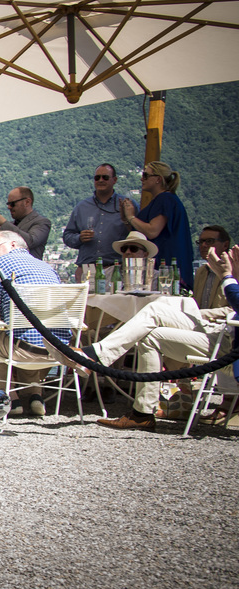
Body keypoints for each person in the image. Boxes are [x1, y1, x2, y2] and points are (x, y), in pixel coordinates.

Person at [51, 245, 239, 432]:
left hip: (230, 344)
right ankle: (141, 413)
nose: (128, 252)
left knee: (153, 324)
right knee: (153, 317)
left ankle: (94, 357)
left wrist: (227, 277)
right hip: (224, 331)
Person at [0, 230, 69, 416]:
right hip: (58, 349)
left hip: (23, 349)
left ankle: (8, 399)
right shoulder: (47, 267)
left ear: (12, 244)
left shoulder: (0, 266)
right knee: (27, 333)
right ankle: (34, 396)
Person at [120, 161, 194, 290]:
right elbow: (140, 234)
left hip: (166, 266)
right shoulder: (162, 200)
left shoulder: (165, 199)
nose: (142, 178)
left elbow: (152, 231)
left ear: (158, 179)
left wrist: (131, 217)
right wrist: (127, 219)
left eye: (146, 175)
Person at [63, 164, 135, 272]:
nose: (100, 180)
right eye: (97, 178)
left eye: (105, 177)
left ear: (114, 180)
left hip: (117, 268)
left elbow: (138, 233)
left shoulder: (127, 205)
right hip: (87, 268)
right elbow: (67, 236)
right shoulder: (82, 207)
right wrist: (79, 238)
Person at [0, 187, 51, 259]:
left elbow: (30, 242)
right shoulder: (11, 225)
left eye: (12, 204)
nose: (9, 207)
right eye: (8, 204)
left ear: (27, 202)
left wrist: (4, 224)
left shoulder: (42, 222)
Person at [193, 225, 231, 310]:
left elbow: (234, 310)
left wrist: (201, 314)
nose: (203, 245)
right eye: (201, 241)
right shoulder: (200, 272)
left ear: (225, 245)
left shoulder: (234, 271)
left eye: (209, 241)